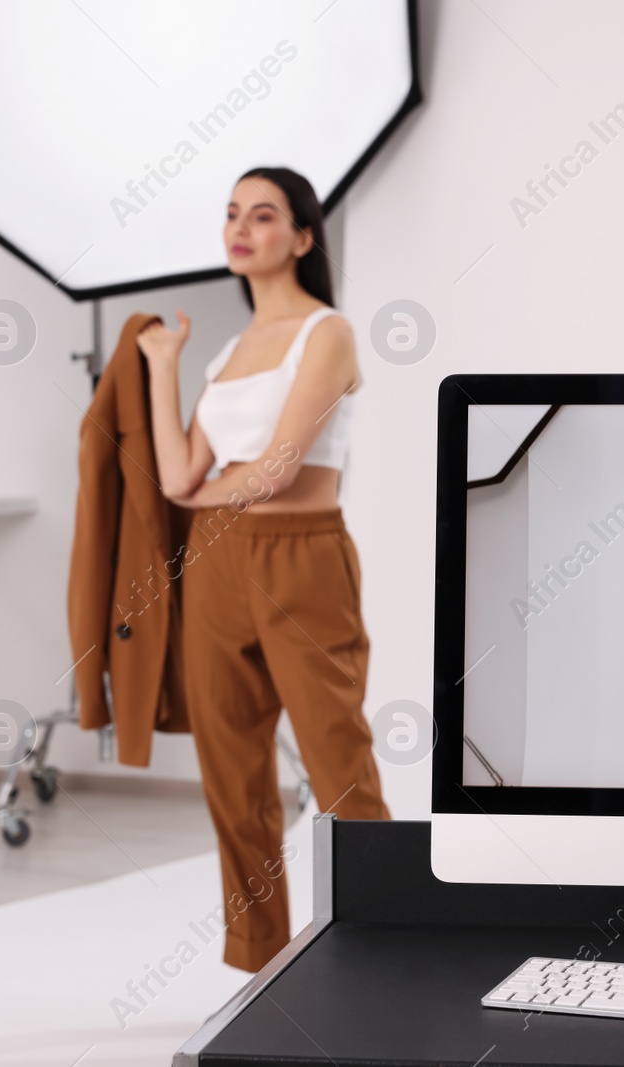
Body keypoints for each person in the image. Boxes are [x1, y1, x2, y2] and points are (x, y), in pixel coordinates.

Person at [135, 166, 389, 972]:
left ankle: (389, 949)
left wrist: (214, 493)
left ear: (303, 237)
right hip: (215, 567)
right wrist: (161, 363)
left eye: (264, 214)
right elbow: (177, 477)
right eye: (232, 213)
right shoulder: (229, 351)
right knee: (232, 773)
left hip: (301, 558)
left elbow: (279, 468)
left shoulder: (329, 333)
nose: (241, 227)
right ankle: (260, 962)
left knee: (337, 763)